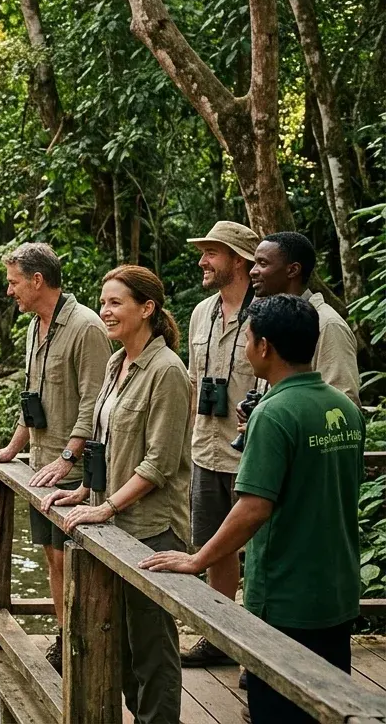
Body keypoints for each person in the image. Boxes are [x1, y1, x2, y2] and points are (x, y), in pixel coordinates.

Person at [140, 295, 364, 724]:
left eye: (247, 340)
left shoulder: (274, 413)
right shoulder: (345, 410)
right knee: (331, 707)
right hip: (337, 588)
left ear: (264, 347)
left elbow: (254, 507)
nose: (244, 349)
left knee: (276, 709)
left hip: (285, 594)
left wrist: (198, 559)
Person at [43, 265, 191, 724]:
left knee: (152, 650)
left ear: (147, 309)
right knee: (120, 648)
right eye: (102, 302)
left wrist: (105, 506)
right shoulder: (115, 361)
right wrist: (85, 489)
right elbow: (104, 441)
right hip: (113, 527)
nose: (104, 311)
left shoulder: (167, 371)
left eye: (115, 303)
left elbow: (159, 464)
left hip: (152, 531)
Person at [0, 242, 110, 670]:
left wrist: (69, 458)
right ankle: (64, 637)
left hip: (72, 468)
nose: (9, 291)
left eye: (14, 283)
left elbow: (95, 400)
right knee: (52, 557)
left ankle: (84, 645)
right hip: (40, 463)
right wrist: (12, 449)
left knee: (72, 559)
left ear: (38, 280)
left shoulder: (87, 326)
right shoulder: (35, 326)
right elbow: (32, 397)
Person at [180, 222, 260, 668]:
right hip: (206, 451)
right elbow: (194, 384)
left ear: (239, 260)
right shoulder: (201, 313)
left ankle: (261, 652)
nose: (202, 261)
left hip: (252, 456)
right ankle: (221, 638)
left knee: (261, 554)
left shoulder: (267, 313)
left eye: (212, 253)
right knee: (214, 549)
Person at [249, 231, 360, 405]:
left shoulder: (326, 324)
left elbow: (343, 403)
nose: (253, 271)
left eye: (262, 263)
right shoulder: (272, 321)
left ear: (293, 270)